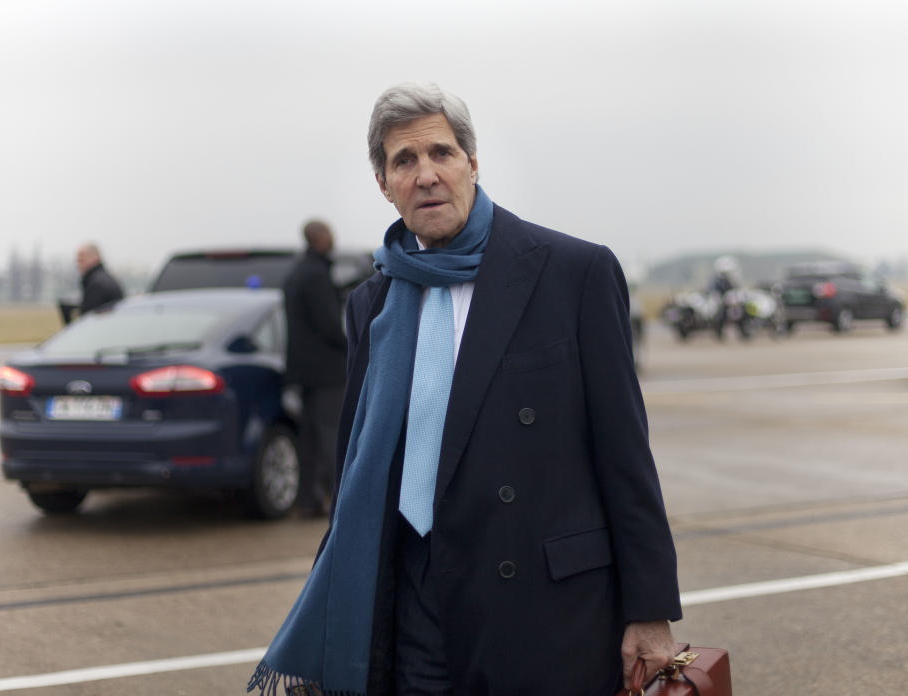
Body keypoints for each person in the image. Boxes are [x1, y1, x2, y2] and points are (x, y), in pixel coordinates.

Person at [250, 83, 681, 696]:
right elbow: (358, 475)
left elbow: (626, 458)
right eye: (404, 161)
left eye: (441, 154)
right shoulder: (372, 304)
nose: (426, 174)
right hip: (415, 608)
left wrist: (650, 611)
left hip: (544, 610)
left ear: (472, 164)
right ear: (384, 184)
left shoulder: (572, 274)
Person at [282, 220, 348, 517]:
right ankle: (337, 500)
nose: (333, 238)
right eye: (329, 233)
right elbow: (330, 325)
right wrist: (352, 344)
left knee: (308, 438)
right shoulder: (317, 275)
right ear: (320, 238)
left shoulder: (296, 272)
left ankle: (307, 500)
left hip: (302, 371)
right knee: (330, 436)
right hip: (326, 370)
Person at [75, 243, 124, 314]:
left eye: (82, 260)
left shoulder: (96, 285)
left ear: (95, 257)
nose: (78, 264)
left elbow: (89, 316)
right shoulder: (106, 278)